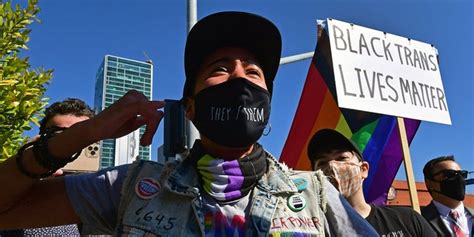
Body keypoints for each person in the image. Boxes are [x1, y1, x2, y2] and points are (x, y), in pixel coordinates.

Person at [0, 12, 378, 236]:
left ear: (267, 105)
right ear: (191, 108)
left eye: (254, 72)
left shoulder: (316, 194)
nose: (240, 79)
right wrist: (83, 134)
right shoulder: (131, 186)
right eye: (219, 69)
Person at [308, 128, 436, 236]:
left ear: (363, 169)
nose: (332, 166)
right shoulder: (308, 230)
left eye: (342, 158)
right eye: (322, 163)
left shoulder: (407, 219)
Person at [0, 98, 94, 237]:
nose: (71, 145)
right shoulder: (18, 186)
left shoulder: (104, 192)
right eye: (58, 136)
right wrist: (28, 167)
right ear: (40, 141)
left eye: (82, 139)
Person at [421, 155, 473, 236]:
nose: (459, 179)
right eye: (449, 175)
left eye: (462, 174)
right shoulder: (419, 220)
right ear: (430, 183)